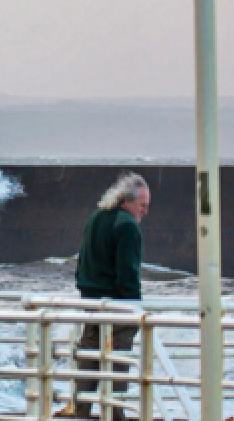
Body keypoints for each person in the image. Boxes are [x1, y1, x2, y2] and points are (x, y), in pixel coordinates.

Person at [55, 172, 151, 420]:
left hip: (93, 304)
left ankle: (80, 411)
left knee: (89, 359)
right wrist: (135, 307)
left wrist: (86, 291)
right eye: (142, 205)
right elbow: (128, 273)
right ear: (127, 202)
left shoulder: (95, 219)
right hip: (118, 307)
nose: (145, 211)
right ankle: (115, 414)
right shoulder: (127, 225)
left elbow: (82, 262)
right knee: (117, 365)